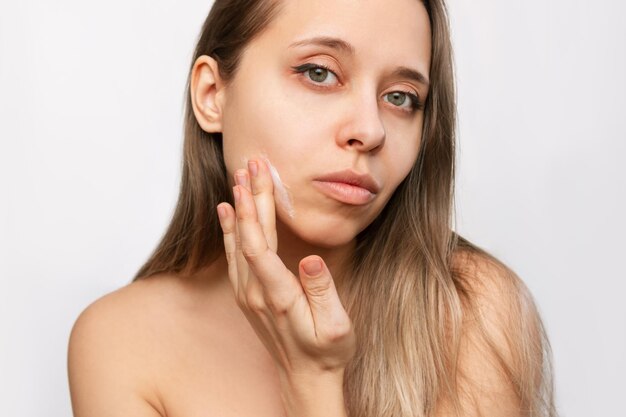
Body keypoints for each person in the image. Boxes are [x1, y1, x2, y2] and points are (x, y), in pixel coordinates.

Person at [67, 0, 558, 416]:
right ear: (212, 95)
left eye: (401, 97)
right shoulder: (120, 341)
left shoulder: (471, 310)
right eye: (318, 73)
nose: (370, 129)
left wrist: (315, 380)